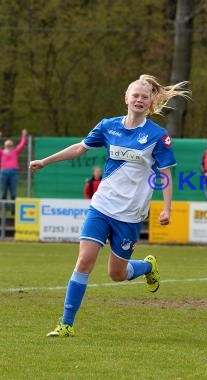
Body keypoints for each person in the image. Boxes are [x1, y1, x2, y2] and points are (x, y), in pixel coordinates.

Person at [29, 74, 190, 337]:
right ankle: (66, 324)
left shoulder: (157, 136)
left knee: (117, 274)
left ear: (150, 103)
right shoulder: (108, 126)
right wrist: (45, 161)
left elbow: (165, 174)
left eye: (144, 97)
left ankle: (148, 266)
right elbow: (80, 148)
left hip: (130, 214)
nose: (139, 99)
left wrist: (167, 207)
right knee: (84, 261)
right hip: (102, 206)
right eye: (135, 95)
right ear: (126, 98)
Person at [0, 129, 28, 211]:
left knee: (13, 193)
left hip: (13, 173)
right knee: (4, 192)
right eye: (7, 146)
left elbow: (22, 144)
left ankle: (13, 209)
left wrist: (24, 135)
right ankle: (3, 208)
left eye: (10, 146)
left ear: (12, 146)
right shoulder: (1, 153)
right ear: (5, 146)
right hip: (3, 173)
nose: (9, 147)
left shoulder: (15, 152)